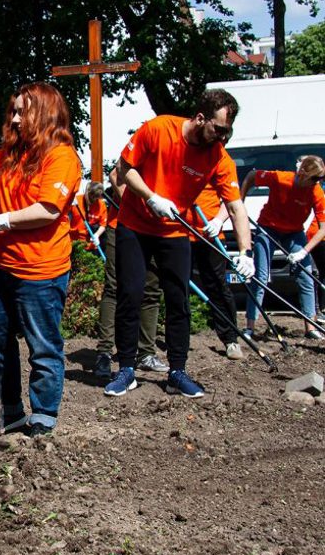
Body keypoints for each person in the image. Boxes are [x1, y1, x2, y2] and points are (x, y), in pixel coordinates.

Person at [107, 89, 254, 400]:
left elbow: (236, 206)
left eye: (228, 130)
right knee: (130, 294)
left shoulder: (218, 157)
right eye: (219, 128)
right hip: (135, 226)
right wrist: (151, 197)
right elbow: (123, 169)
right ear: (200, 118)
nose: (223, 136)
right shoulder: (159, 129)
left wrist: (245, 252)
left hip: (175, 231)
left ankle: (177, 372)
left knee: (179, 299)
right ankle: (126, 370)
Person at [0, 82, 81, 439]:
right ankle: (11, 410)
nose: (15, 119)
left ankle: (44, 414)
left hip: (41, 271)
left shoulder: (61, 157)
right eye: (12, 111)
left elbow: (48, 209)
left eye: (23, 111)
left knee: (43, 346)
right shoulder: (9, 155)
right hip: (1, 267)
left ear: (45, 114)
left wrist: (2, 219)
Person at [241, 155, 325, 339]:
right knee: (261, 276)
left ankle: (310, 327)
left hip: (294, 233)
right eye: (315, 178)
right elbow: (251, 176)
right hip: (268, 228)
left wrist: (304, 252)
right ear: (303, 173)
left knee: (306, 275)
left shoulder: (316, 192)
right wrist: (240, 202)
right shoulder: (280, 178)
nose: (317, 182)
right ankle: (250, 326)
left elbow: (323, 228)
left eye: (320, 179)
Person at [93, 176, 169, 378]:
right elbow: (116, 176)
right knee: (114, 287)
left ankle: (146, 353)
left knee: (151, 290)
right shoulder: (143, 146)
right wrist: (139, 207)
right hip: (122, 225)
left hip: (157, 229)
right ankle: (105, 352)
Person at [184, 185, 245, 358]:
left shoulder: (216, 164)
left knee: (218, 286)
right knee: (180, 287)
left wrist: (218, 220)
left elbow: (230, 199)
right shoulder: (177, 163)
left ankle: (230, 339)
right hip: (180, 234)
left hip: (210, 234)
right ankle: (180, 339)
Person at [69, 182, 106, 251]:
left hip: (91, 245)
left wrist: (97, 235)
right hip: (74, 243)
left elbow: (103, 224)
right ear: (86, 192)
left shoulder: (101, 204)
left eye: (96, 198)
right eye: (91, 197)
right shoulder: (75, 201)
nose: (93, 201)